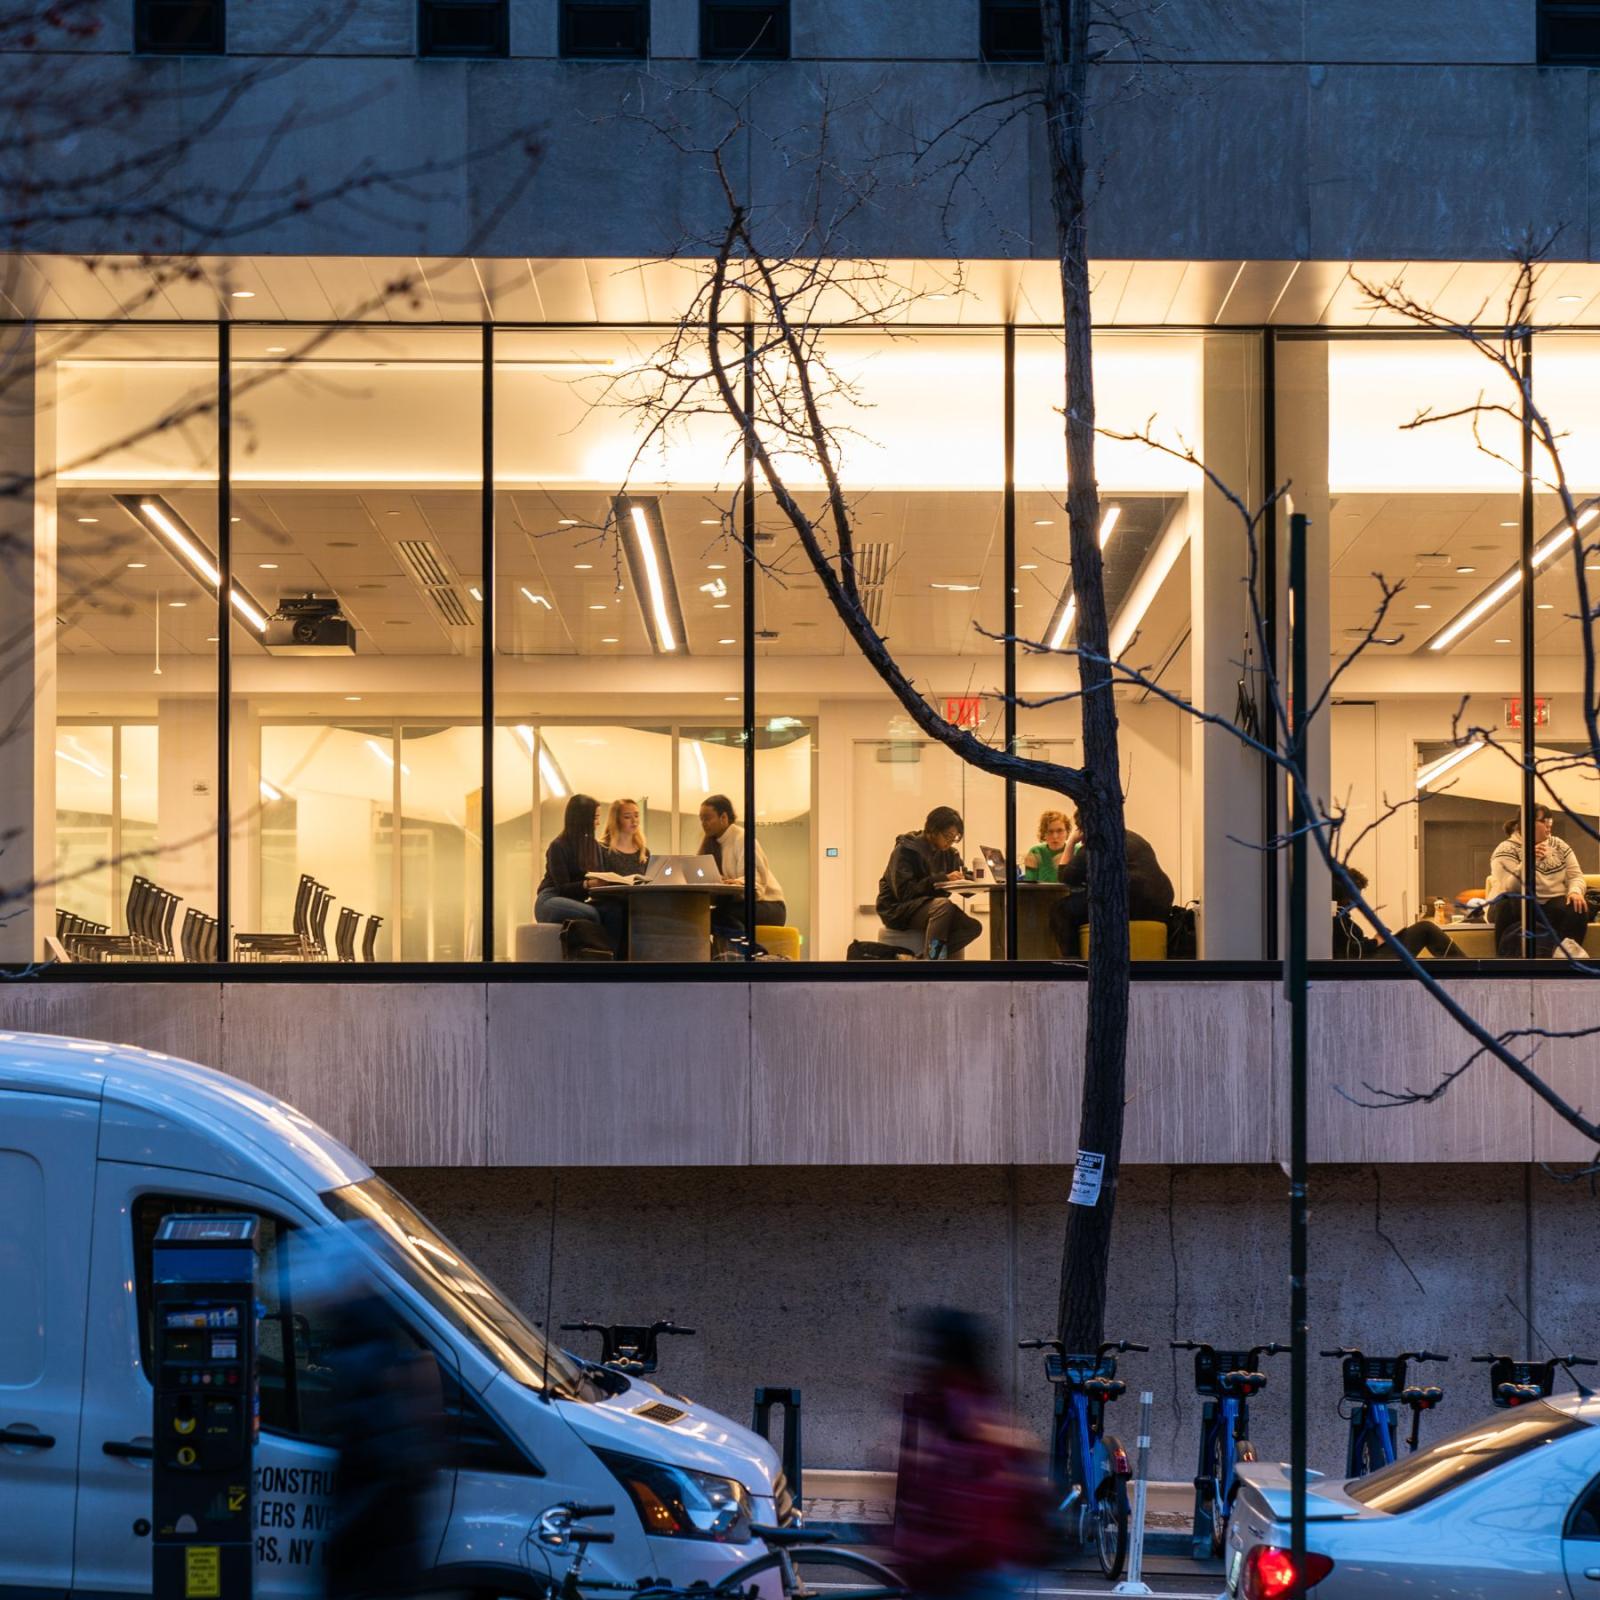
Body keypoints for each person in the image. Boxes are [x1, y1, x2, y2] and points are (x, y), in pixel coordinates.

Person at [892, 1308, 1049, 1598]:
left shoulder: (953, 1407)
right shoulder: (986, 1403)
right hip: (988, 1562)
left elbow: (941, 1493)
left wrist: (912, 1548)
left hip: (958, 1567)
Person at [1048, 809, 1174, 958]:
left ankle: (1074, 964)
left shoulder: (1097, 841)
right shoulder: (1132, 836)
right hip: (1161, 904)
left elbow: (1065, 876)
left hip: (1127, 902)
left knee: (1061, 910)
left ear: (1082, 828)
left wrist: (1070, 843)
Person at [876, 806, 983, 960]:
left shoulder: (950, 854)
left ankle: (923, 959)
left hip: (932, 908)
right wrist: (942, 879)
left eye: (955, 838)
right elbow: (904, 892)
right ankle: (933, 963)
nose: (950, 842)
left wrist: (975, 879)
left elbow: (962, 879)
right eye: (947, 836)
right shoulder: (906, 850)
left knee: (972, 927)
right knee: (944, 906)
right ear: (933, 830)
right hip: (897, 909)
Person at [1489, 805, 1591, 958]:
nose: (1549, 824)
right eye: (1543, 821)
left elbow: (1576, 876)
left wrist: (1575, 891)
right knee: (1509, 902)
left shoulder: (1559, 845)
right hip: (1518, 905)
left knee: (1578, 907)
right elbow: (1511, 887)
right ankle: (1507, 960)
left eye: (1550, 820)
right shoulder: (1506, 849)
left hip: (1550, 905)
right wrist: (1529, 860)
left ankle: (1565, 958)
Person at [534, 792, 625, 954]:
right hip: (551, 899)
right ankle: (597, 956)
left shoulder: (594, 847)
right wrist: (587, 884)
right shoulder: (558, 846)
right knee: (591, 914)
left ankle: (614, 960)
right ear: (583, 819)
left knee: (615, 911)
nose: (598, 823)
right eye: (595, 817)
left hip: (578, 901)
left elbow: (600, 876)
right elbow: (562, 888)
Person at [698, 793, 786, 943]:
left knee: (717, 917)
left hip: (769, 906)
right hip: (744, 905)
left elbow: (756, 882)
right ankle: (737, 956)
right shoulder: (713, 844)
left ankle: (752, 955)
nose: (704, 823)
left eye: (707, 818)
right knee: (704, 917)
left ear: (723, 817)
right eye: (701, 819)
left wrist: (735, 882)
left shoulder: (742, 838)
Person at [1333, 868, 1464, 959]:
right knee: (1425, 928)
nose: (1358, 899)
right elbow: (1352, 952)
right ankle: (1466, 966)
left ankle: (1462, 964)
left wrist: (1377, 938)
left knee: (1420, 929)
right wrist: (1376, 941)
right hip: (1369, 963)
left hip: (1371, 956)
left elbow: (1351, 944)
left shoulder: (1339, 916)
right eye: (1357, 894)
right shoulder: (1337, 916)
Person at [602, 796, 650, 874]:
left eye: (636, 816)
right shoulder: (602, 849)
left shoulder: (644, 852)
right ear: (616, 820)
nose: (634, 821)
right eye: (627, 817)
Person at [1022, 809, 1073, 882]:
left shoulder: (1076, 851)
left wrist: (1062, 868)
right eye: (1050, 831)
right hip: (1042, 893)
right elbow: (1030, 885)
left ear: (1067, 832)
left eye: (1060, 830)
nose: (1055, 836)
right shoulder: (1036, 851)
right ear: (1044, 833)